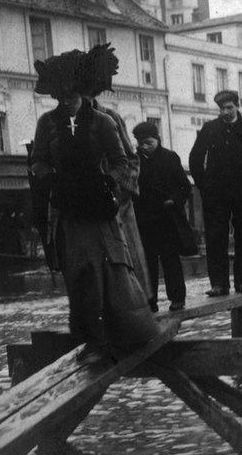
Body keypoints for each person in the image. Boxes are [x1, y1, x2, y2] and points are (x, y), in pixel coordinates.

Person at [29, 50, 161, 364]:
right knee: (81, 272)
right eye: (63, 95)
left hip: (106, 208)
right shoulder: (48, 123)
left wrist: (111, 192)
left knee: (116, 270)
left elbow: (125, 162)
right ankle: (93, 342)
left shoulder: (104, 121)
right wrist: (54, 184)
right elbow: (39, 162)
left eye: (75, 93)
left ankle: (131, 332)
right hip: (70, 209)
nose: (70, 99)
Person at [75, 43, 152, 302]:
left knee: (127, 258)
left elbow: (131, 159)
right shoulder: (68, 124)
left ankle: (139, 305)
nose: (83, 100)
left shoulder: (110, 117)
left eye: (87, 95)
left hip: (116, 200)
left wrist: (118, 191)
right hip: (87, 204)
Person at [189, 90, 242, 296]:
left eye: (229, 107)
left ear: (237, 106)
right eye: (222, 108)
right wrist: (204, 185)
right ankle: (219, 284)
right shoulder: (210, 129)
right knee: (215, 238)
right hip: (216, 194)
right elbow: (195, 158)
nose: (225, 112)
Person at [132, 121, 192, 312]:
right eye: (141, 143)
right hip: (145, 220)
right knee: (146, 263)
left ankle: (177, 299)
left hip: (167, 219)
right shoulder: (134, 161)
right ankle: (150, 302)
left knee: (171, 260)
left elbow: (184, 186)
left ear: (157, 139)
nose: (145, 146)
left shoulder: (170, 157)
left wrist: (173, 201)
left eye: (148, 142)